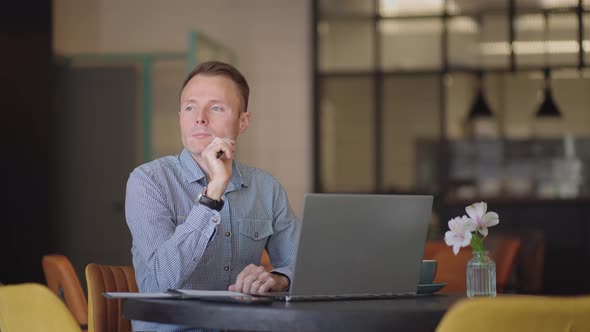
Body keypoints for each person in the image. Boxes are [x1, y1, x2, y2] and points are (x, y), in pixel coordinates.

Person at [125, 61, 299, 331]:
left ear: (243, 122)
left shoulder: (266, 187)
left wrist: (278, 279)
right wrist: (213, 192)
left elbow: (302, 266)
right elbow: (163, 277)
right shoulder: (148, 181)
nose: (200, 118)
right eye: (190, 107)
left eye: (216, 107)